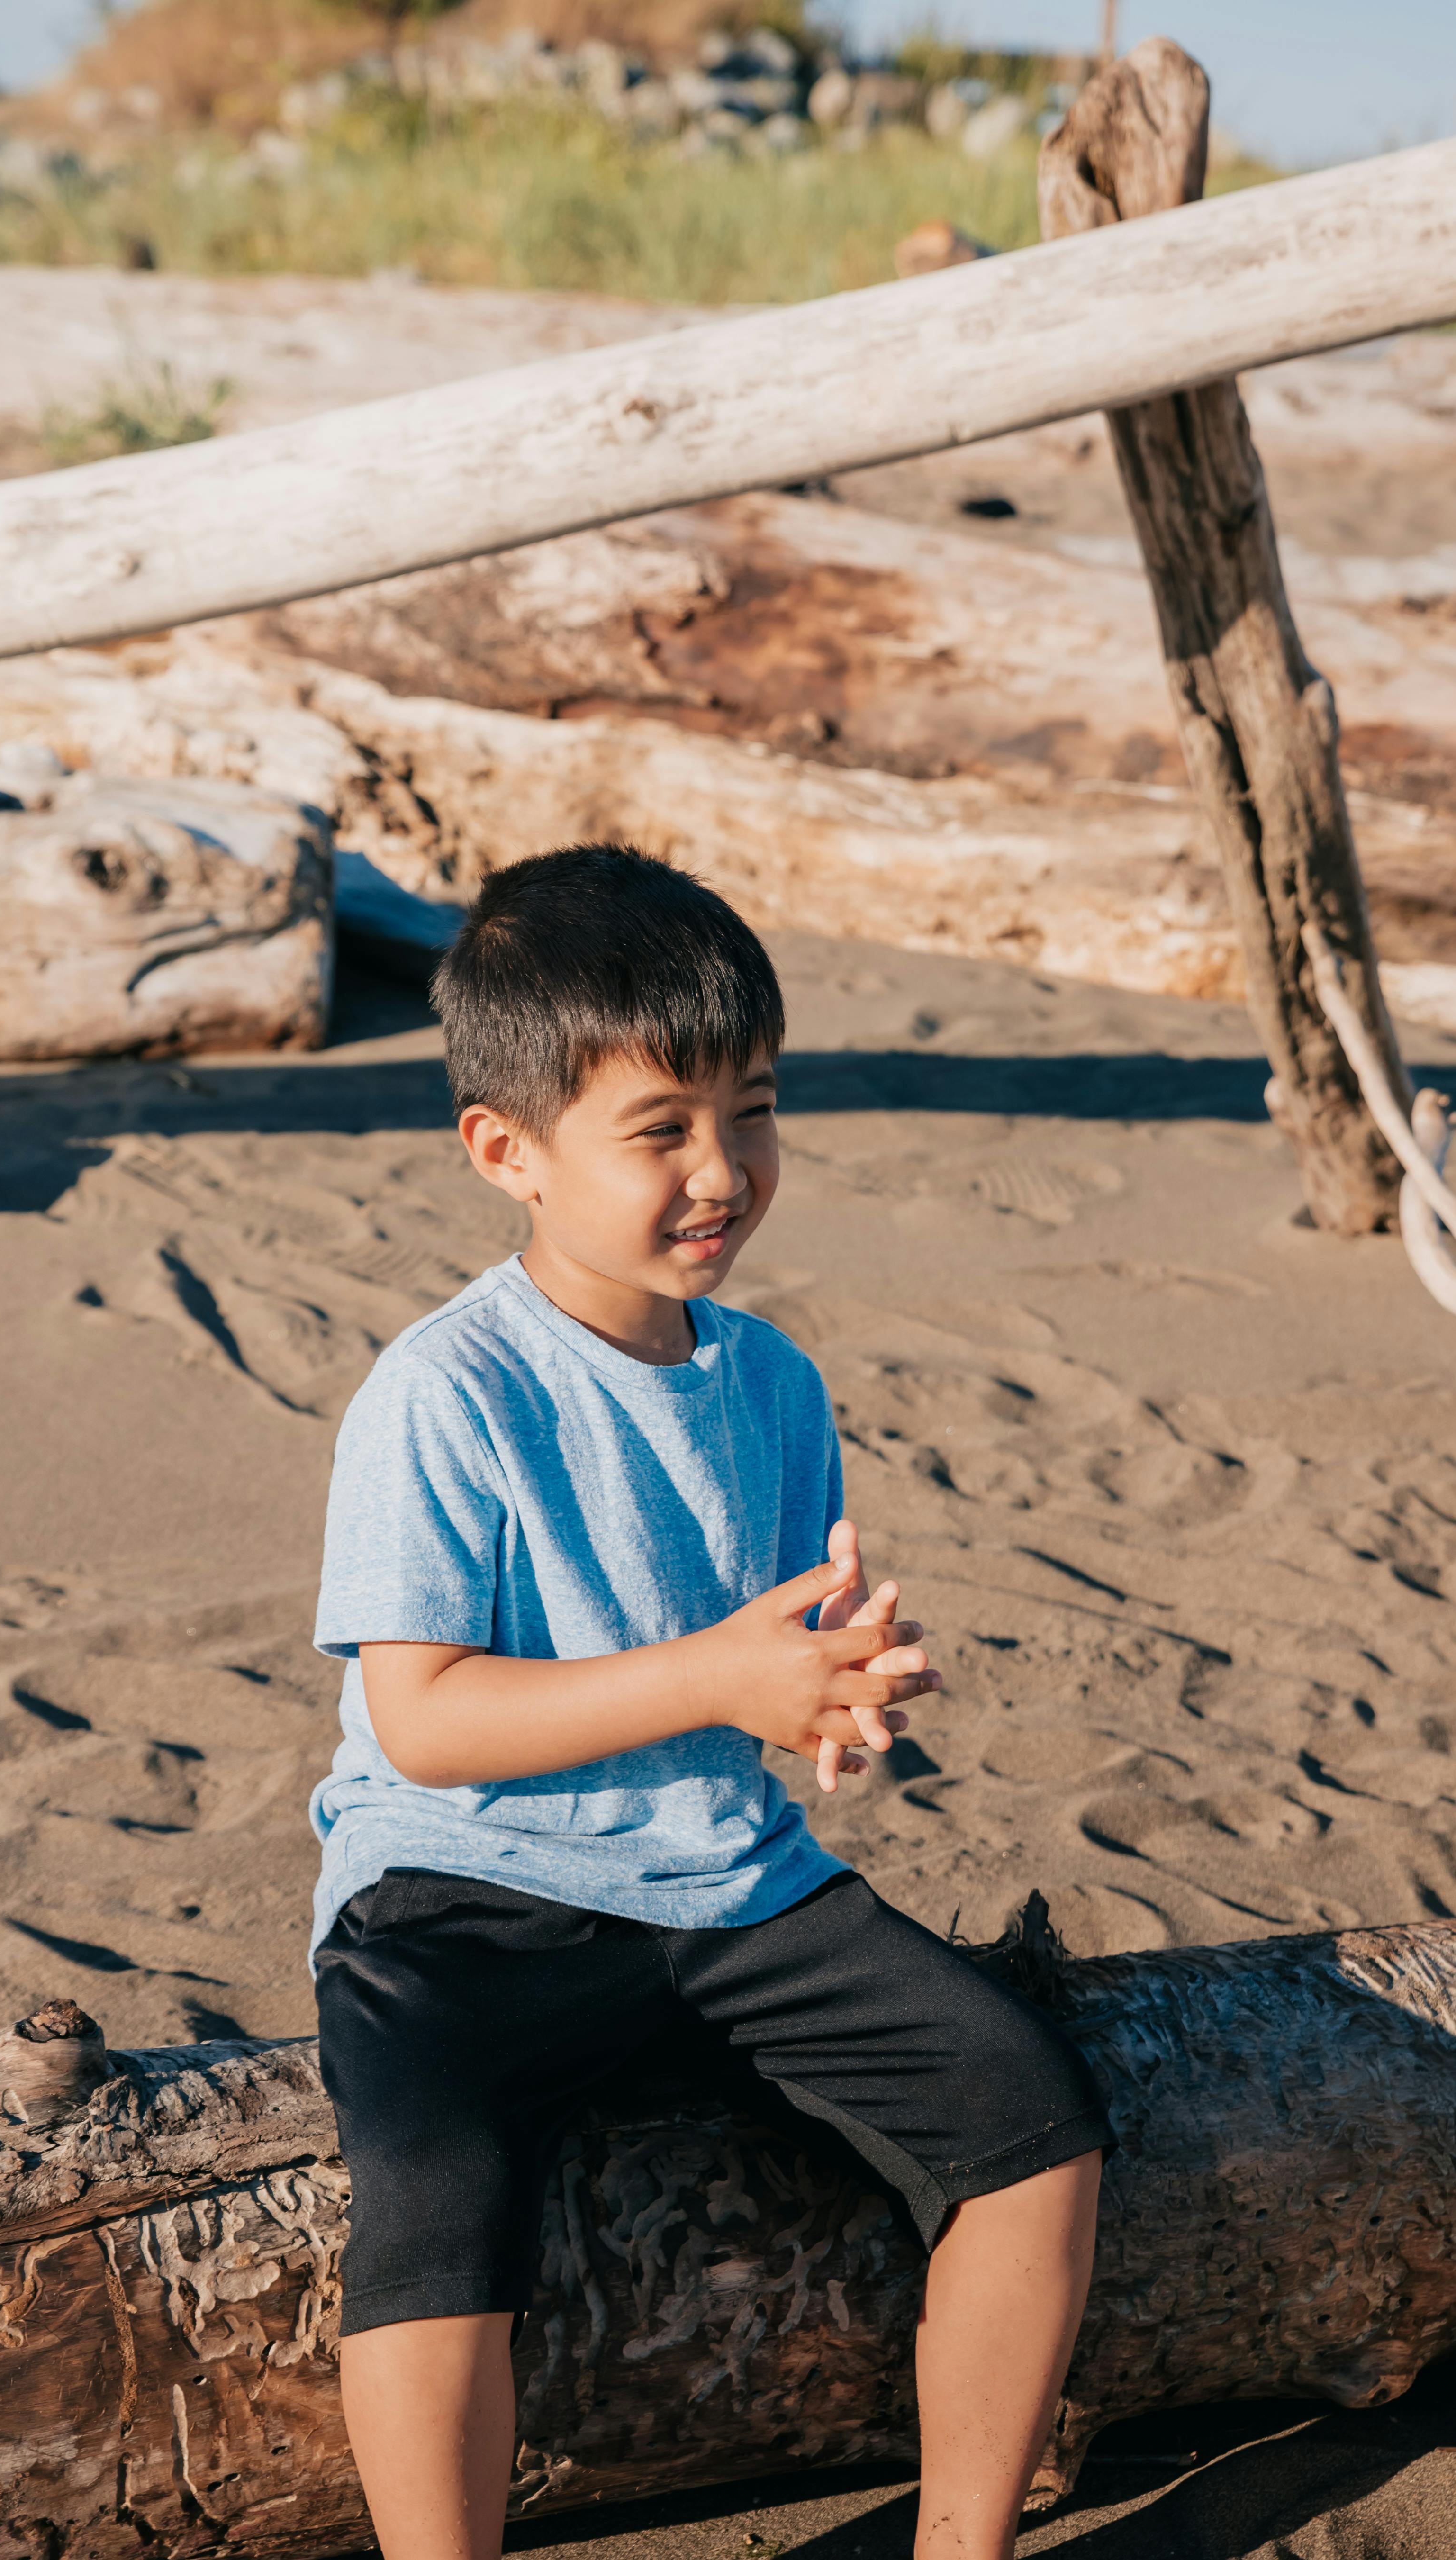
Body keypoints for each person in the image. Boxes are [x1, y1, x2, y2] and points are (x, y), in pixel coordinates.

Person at [309, 844, 1111, 2560]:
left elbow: (762, 1664)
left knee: (1030, 2113)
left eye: (751, 1110)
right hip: (462, 1891)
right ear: (505, 1149)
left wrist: (823, 1704)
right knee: (435, 2194)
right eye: (659, 1126)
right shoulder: (443, 1394)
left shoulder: (774, 1382)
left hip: (729, 1882)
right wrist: (718, 1676)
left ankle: (963, 2539)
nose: (721, 1170)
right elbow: (427, 1721)